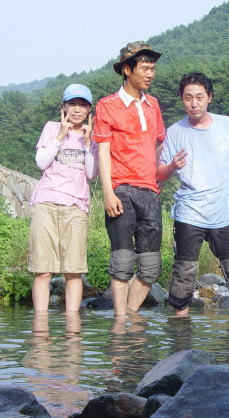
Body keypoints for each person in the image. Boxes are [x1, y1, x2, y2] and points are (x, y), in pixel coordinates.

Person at [158, 73, 229, 318]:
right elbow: (161, 174)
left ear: (209, 98)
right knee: (183, 272)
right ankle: (179, 331)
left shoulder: (227, 125)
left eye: (199, 97)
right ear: (182, 100)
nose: (194, 103)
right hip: (189, 213)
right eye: (188, 98)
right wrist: (172, 165)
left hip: (224, 212)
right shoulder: (175, 131)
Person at [93, 41, 166, 316]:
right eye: (145, 68)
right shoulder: (107, 106)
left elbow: (159, 142)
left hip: (150, 191)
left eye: (153, 68)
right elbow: (103, 151)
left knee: (150, 265)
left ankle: (129, 314)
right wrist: (108, 193)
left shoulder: (153, 105)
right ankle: (120, 321)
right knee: (122, 260)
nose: (150, 74)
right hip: (121, 188)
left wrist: (156, 176)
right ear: (127, 69)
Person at [29, 83, 98, 312]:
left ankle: (72, 325)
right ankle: (40, 326)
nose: (76, 109)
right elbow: (41, 163)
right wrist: (60, 135)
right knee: (43, 269)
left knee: (73, 270)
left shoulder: (93, 136)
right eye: (72, 104)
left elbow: (91, 173)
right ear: (64, 107)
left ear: (89, 109)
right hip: (46, 202)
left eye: (82, 105)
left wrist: (88, 144)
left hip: (76, 206)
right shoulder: (51, 128)